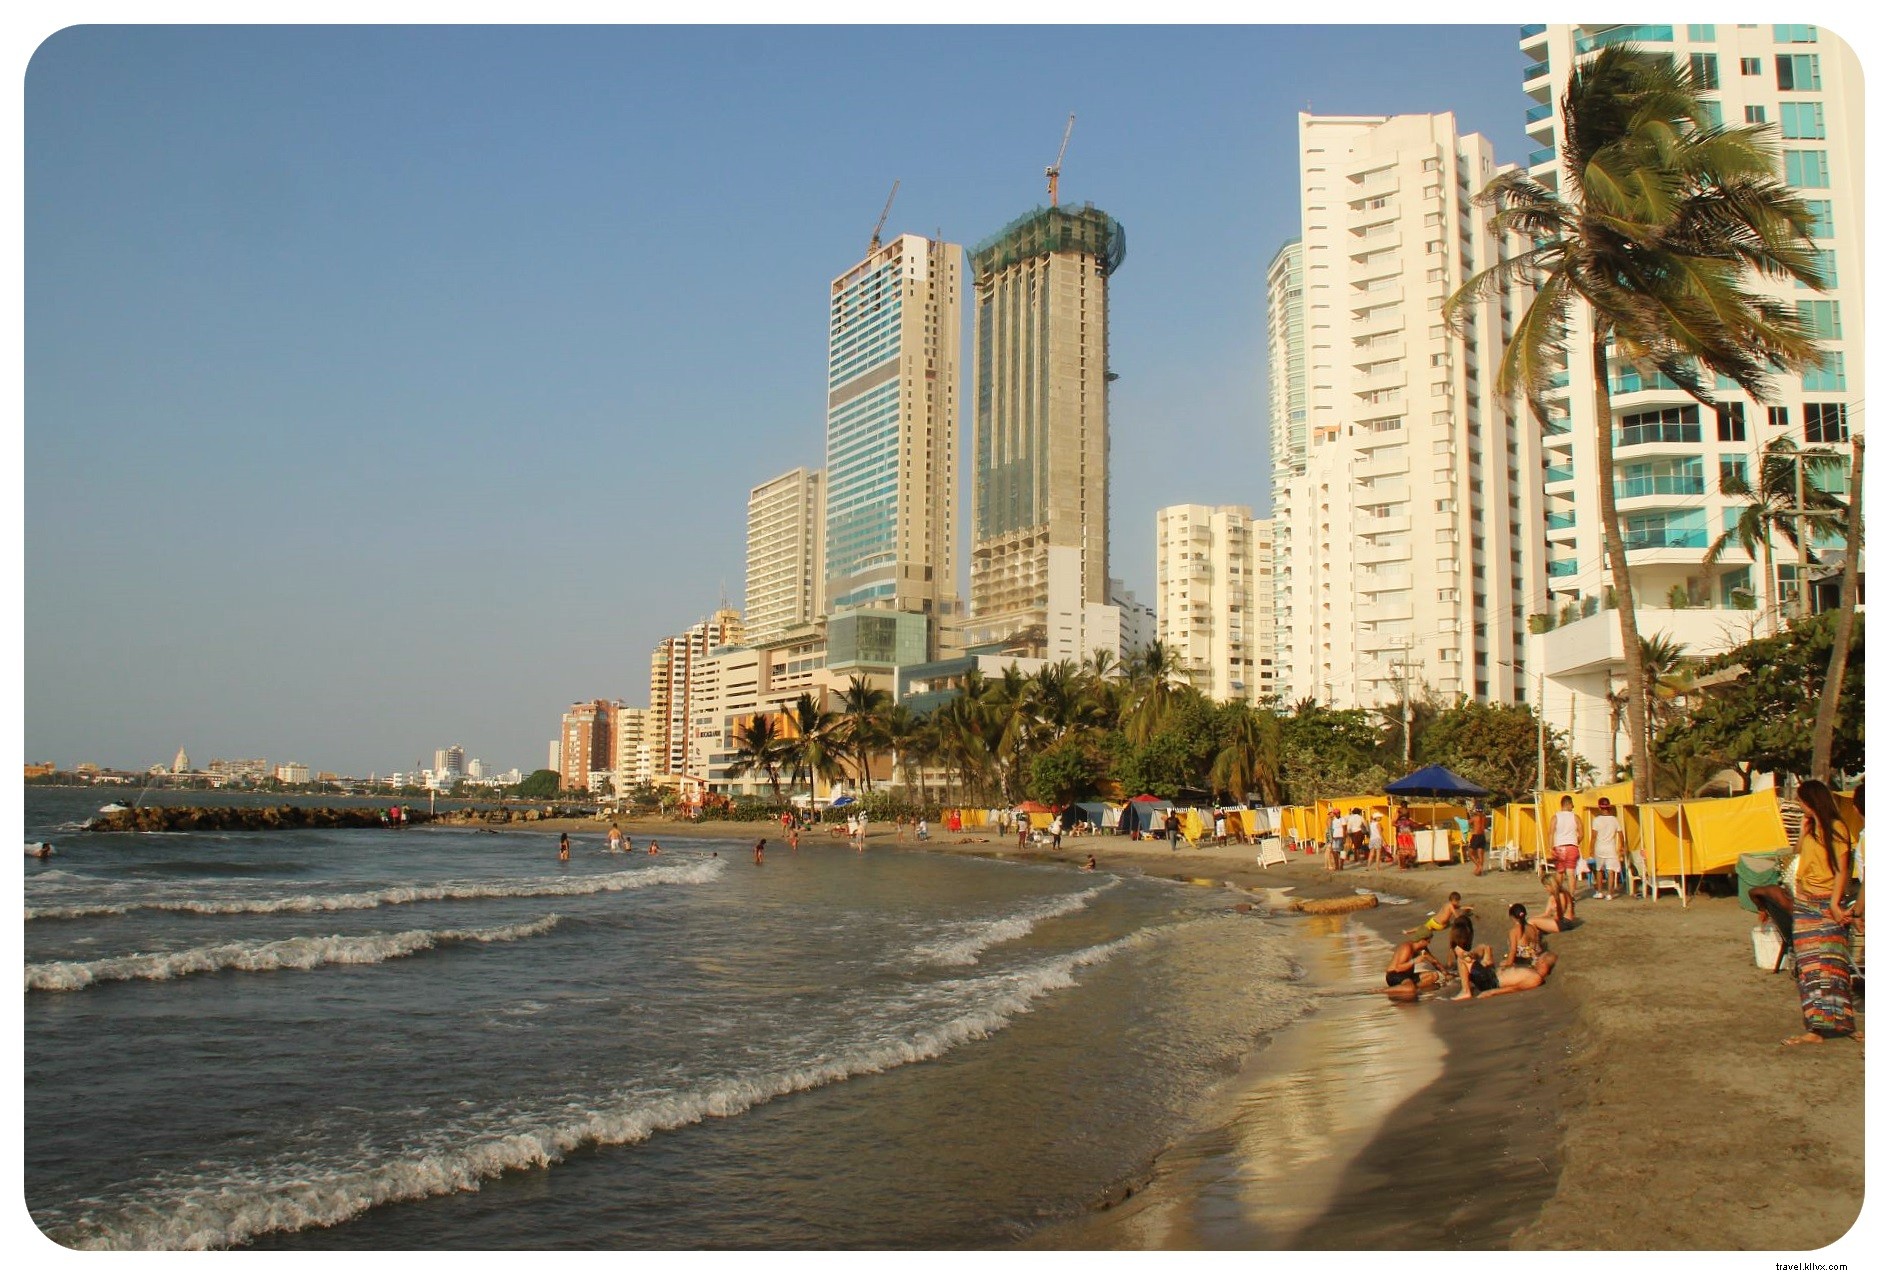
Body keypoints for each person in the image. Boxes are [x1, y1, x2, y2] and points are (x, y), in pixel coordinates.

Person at [1784, 779, 1859, 1045]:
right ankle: (1815, 1028)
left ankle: (1843, 1024)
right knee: (1808, 968)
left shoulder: (1836, 828)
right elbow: (1798, 855)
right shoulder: (1810, 827)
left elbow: (1841, 870)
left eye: (1801, 801)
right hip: (1805, 904)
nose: (1799, 805)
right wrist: (1803, 831)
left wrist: (1835, 904)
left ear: (1811, 801)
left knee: (1832, 966)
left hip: (1827, 902)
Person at [1454, 944, 1556, 999]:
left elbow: (1517, 988)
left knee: (1461, 958)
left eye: (1539, 959)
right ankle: (1470, 955)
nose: (1537, 960)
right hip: (1491, 974)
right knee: (1485, 947)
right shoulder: (1534, 973)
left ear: (1543, 963)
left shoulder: (1536, 978)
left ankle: (1466, 991)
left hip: (1490, 982)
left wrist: (1491, 992)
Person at [1589, 797, 1624, 899]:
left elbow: (1594, 837)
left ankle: (1599, 892)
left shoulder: (1596, 820)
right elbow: (1621, 835)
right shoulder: (1615, 820)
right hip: (1611, 848)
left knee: (1599, 870)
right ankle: (1610, 894)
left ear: (1599, 808)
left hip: (1599, 848)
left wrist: (1591, 849)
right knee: (1610, 871)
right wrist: (1622, 846)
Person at [1549, 795, 1582, 895]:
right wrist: (1576, 842)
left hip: (1559, 847)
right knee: (1571, 873)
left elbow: (1551, 833)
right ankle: (1571, 896)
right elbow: (1581, 834)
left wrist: (1550, 848)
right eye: (1572, 804)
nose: (1573, 806)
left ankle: (1558, 894)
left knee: (1560, 872)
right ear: (1568, 804)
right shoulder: (1575, 817)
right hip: (1572, 846)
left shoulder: (1555, 817)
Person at [1504, 902, 1549, 967]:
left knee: (1503, 962)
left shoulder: (1514, 931)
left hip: (1523, 961)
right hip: (1535, 959)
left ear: (1512, 917)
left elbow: (1513, 951)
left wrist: (1507, 967)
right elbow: (1537, 946)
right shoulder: (1532, 928)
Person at [1467, 801, 1490, 876]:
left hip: (1476, 836)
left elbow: (1468, 823)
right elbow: (1486, 826)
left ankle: (1479, 866)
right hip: (1482, 836)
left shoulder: (1474, 818)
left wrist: (1471, 814)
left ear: (1476, 810)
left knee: (1470, 853)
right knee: (1480, 854)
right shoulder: (1484, 818)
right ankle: (1480, 870)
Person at [1394, 803, 1416, 870]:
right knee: (1403, 851)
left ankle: (1404, 865)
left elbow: (1412, 824)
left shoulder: (1406, 812)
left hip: (1405, 834)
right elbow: (1393, 822)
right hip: (1402, 835)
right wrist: (1400, 825)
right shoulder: (1398, 811)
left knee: (1408, 851)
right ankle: (1402, 866)